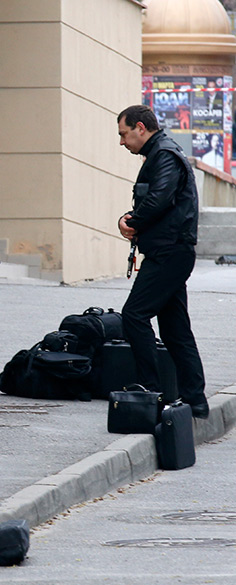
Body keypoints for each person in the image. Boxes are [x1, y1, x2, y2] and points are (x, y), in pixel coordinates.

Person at [116, 104, 208, 419]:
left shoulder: (164, 155)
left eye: (124, 134)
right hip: (171, 251)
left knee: (134, 315)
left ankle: (149, 389)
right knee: (175, 330)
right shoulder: (161, 154)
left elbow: (160, 198)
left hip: (170, 252)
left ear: (141, 128)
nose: (122, 142)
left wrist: (133, 221)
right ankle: (195, 400)